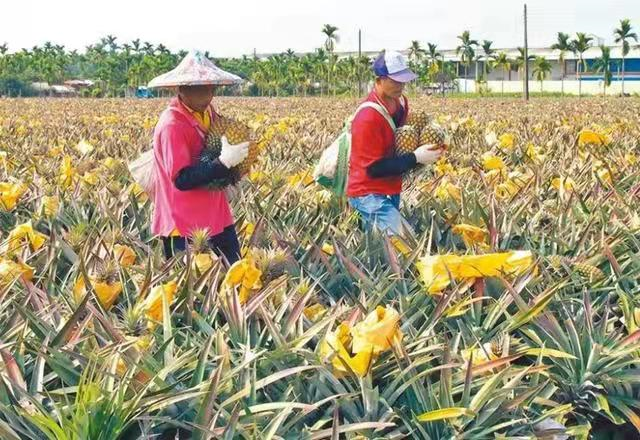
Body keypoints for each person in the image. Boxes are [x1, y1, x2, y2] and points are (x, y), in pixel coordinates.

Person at [147, 51, 248, 265]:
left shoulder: (207, 111)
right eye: (199, 90)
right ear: (181, 90)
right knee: (196, 292)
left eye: (210, 89)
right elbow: (182, 180)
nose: (207, 96)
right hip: (184, 222)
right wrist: (223, 163)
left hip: (217, 214)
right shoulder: (171, 126)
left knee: (234, 273)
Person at [347, 50, 445, 236]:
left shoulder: (398, 104)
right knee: (405, 242)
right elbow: (374, 169)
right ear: (379, 80)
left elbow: (400, 143)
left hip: (389, 189)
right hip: (368, 194)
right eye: (395, 80)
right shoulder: (368, 117)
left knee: (382, 247)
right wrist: (416, 157)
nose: (401, 85)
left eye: (403, 79)